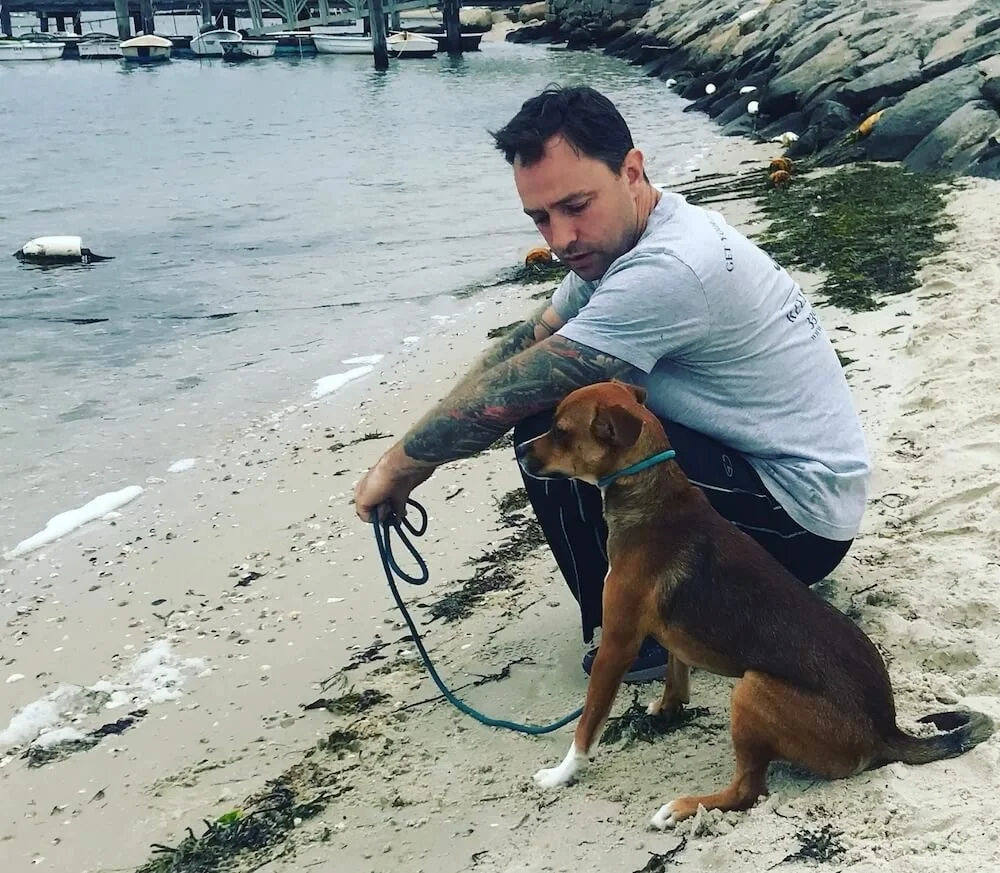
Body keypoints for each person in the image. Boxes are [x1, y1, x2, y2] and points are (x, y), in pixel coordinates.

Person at [353, 84, 871, 683]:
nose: (560, 238)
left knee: (553, 434)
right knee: (563, 417)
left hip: (797, 522)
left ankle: (632, 637)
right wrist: (410, 447)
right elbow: (524, 347)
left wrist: (401, 466)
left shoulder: (669, 268)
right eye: (540, 217)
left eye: (576, 206)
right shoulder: (624, 243)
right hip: (774, 486)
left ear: (631, 170)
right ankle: (636, 613)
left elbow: (514, 393)